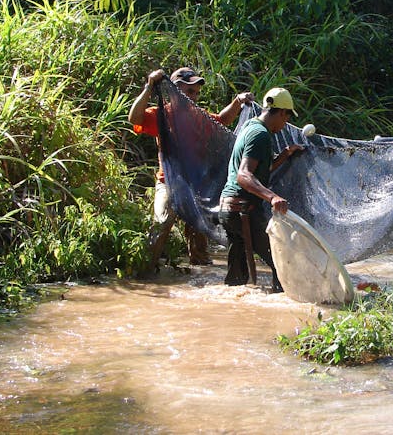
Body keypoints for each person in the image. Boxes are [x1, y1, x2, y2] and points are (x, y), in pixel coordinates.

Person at [129, 66, 254, 273]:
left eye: (196, 92)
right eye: (190, 92)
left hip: (195, 185)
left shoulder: (198, 116)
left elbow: (221, 121)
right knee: (161, 224)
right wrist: (149, 86)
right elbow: (134, 119)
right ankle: (145, 272)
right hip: (168, 183)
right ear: (176, 90)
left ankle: (200, 276)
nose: (194, 97)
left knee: (199, 235)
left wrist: (238, 101)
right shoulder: (162, 114)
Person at [218, 87, 304, 292]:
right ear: (282, 112)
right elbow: (244, 175)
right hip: (242, 210)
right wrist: (273, 197)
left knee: (236, 276)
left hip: (229, 209)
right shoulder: (261, 135)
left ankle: (235, 312)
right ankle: (283, 304)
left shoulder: (250, 125)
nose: (284, 126)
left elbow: (262, 168)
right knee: (281, 261)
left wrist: (285, 153)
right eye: (286, 119)